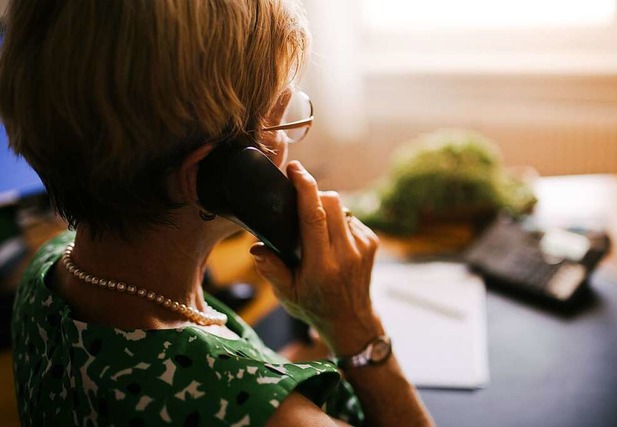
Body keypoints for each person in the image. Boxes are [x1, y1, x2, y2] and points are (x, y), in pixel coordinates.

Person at [0, 1, 434, 426]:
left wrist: (299, 357)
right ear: (212, 175)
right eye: (282, 121)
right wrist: (356, 328)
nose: (289, 145)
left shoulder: (51, 270)